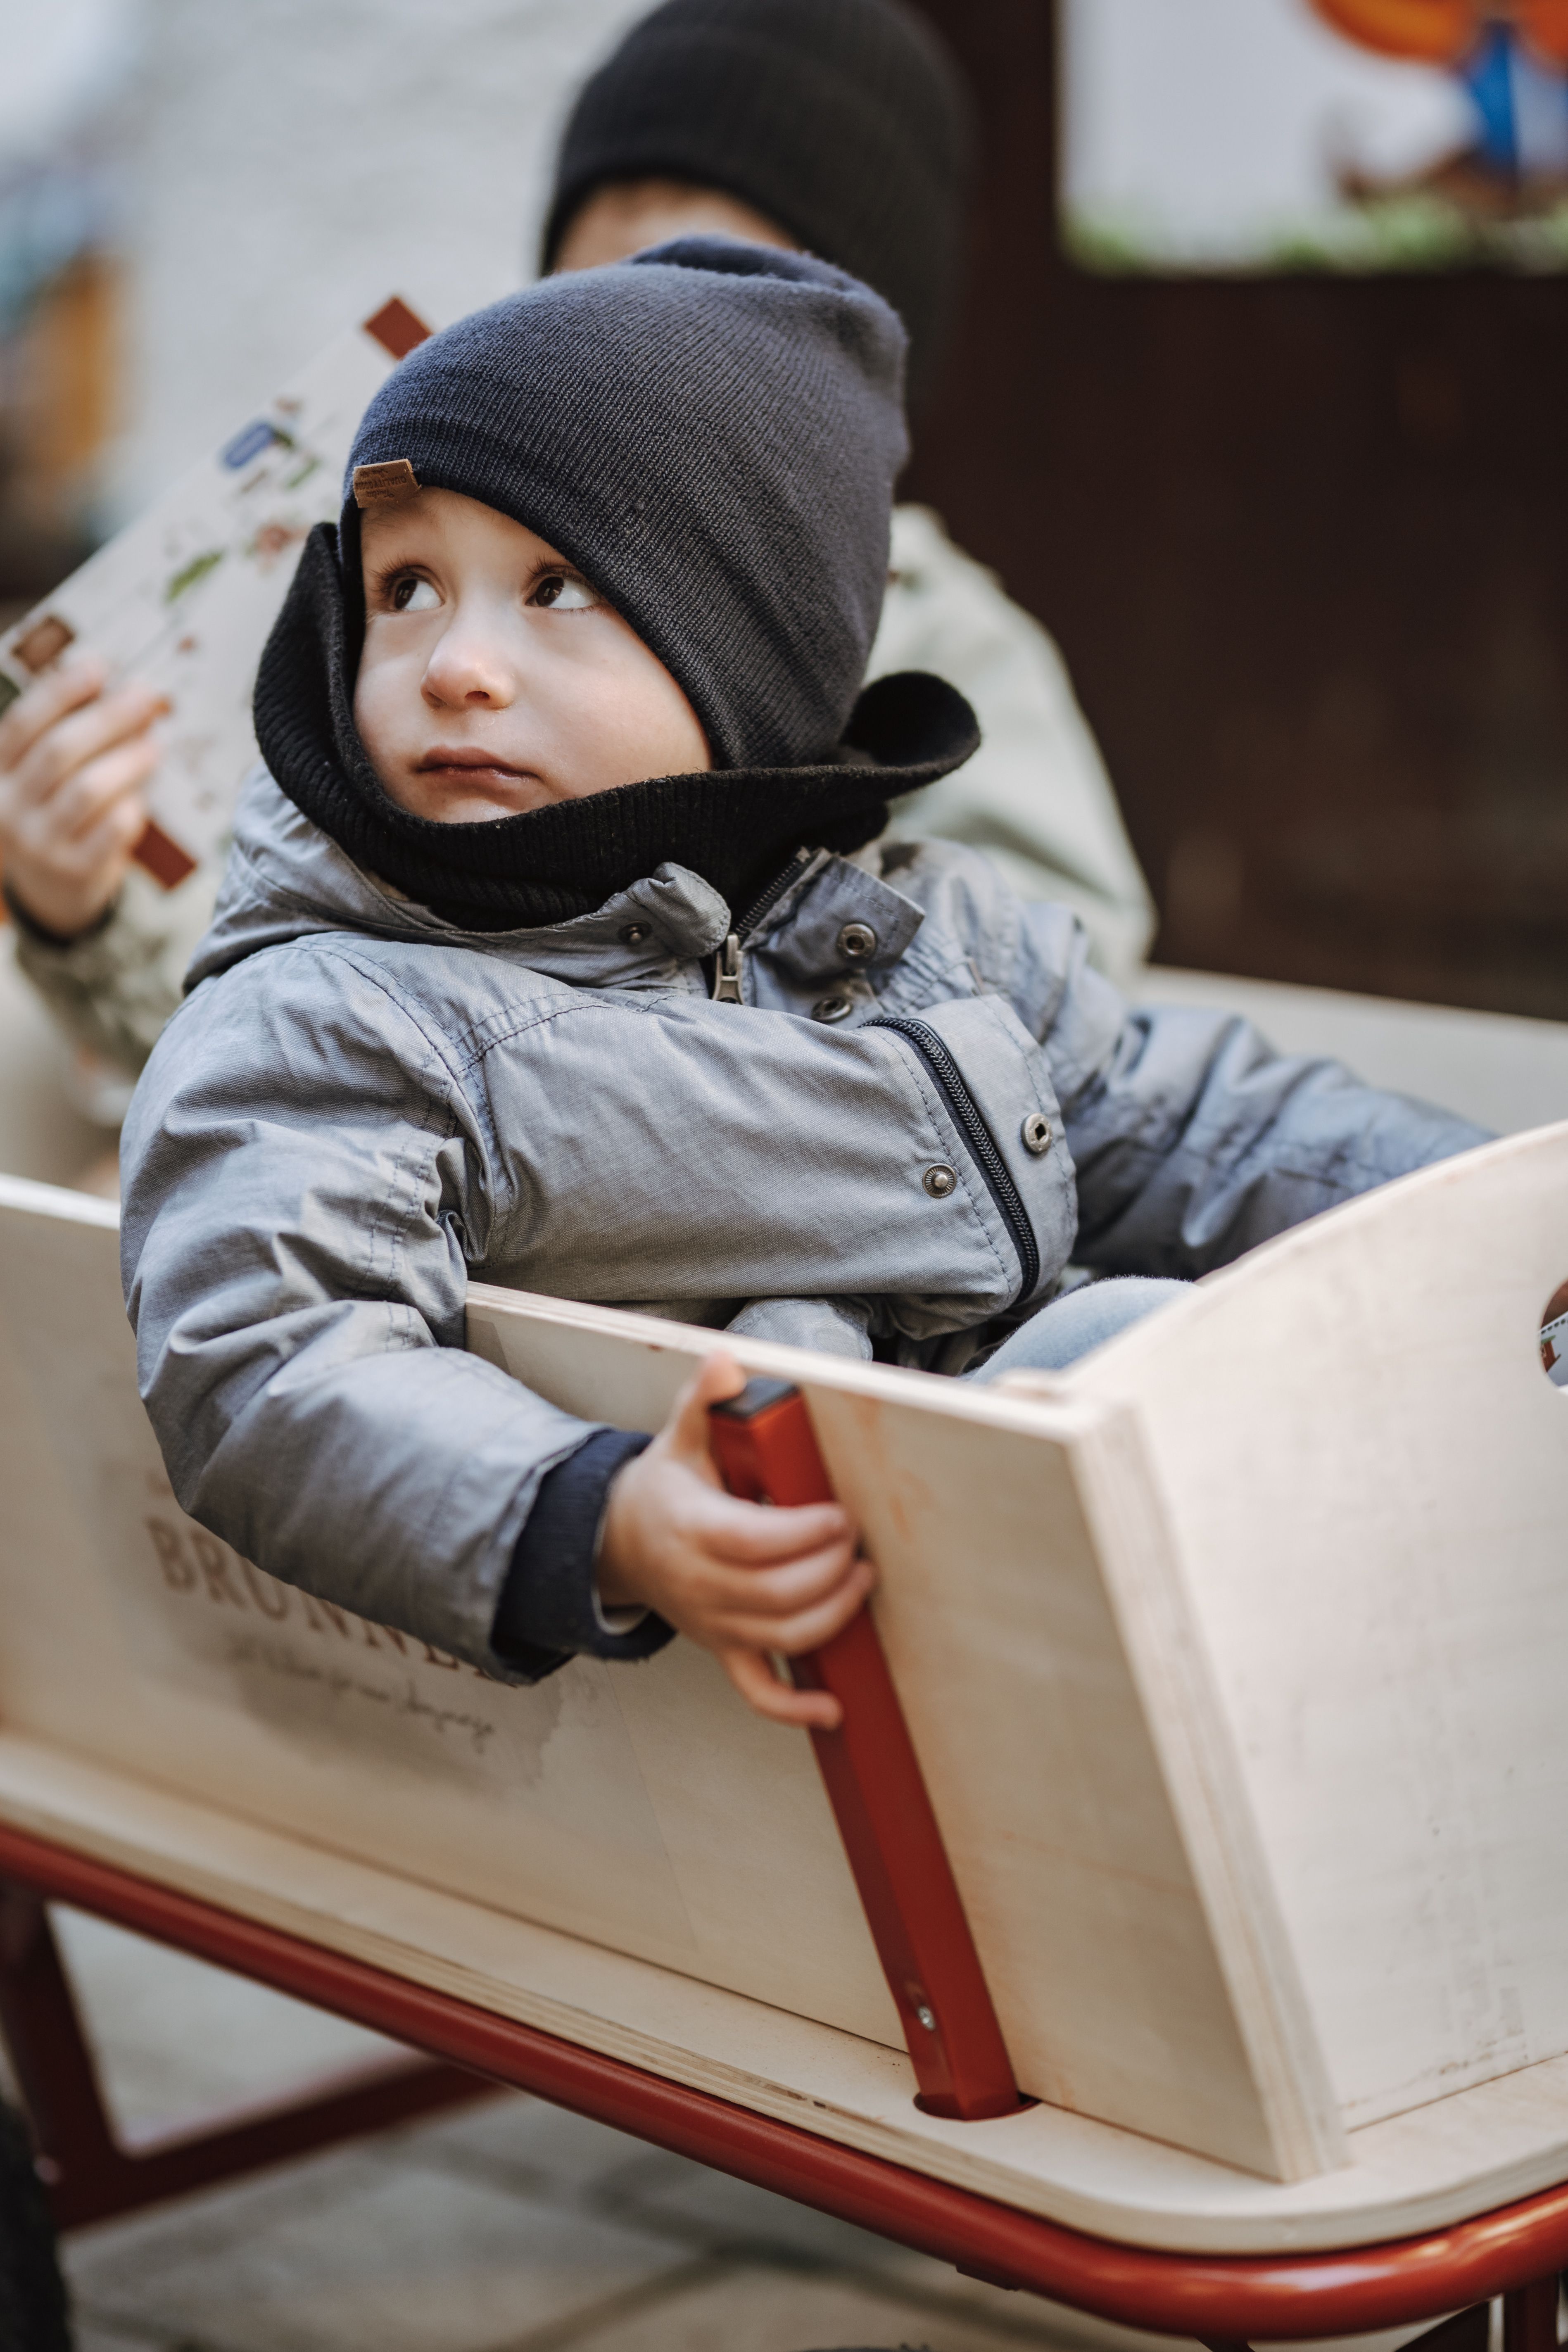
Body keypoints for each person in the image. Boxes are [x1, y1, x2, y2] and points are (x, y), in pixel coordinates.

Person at [121, 243, 1486, 1732]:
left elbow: (1186, 1121)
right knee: (1127, 1394)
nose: (455, 663)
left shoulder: (922, 928)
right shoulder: (341, 1012)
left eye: (555, 585)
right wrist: (599, 1512)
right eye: (407, 586)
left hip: (1077, 1590)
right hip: (821, 1662)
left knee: (1213, 1365)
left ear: (750, 660)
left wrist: (1492, 1214)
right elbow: (274, 1355)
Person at [0, 0, 1152, 1111]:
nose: (462, 661)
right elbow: (279, 1062)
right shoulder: (425, 648)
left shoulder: (944, 645)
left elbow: (1054, 1054)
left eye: (708, 304)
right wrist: (91, 911)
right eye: (603, 292)